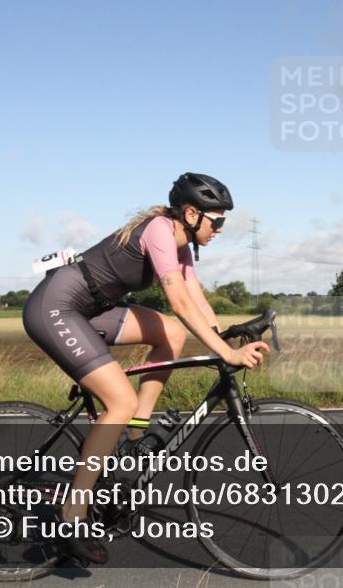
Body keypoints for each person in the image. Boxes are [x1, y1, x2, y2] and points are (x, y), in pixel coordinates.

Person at [22, 172, 268, 565]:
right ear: (191, 213)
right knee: (118, 400)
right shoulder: (158, 230)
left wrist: (227, 339)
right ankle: (72, 514)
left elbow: (194, 299)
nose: (220, 229)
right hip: (55, 307)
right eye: (217, 220)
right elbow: (178, 300)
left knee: (170, 334)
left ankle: (134, 434)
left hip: (89, 311)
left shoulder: (183, 245)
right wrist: (226, 351)